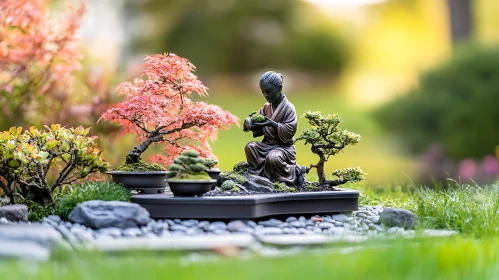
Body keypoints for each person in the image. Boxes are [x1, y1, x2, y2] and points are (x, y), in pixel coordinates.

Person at [243, 71, 308, 186]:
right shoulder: (266, 107)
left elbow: (289, 130)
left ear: (279, 88)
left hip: (283, 148)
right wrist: (249, 122)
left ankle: (295, 171)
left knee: (273, 157)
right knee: (250, 147)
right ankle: (257, 175)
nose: (266, 95)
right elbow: (256, 118)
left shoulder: (289, 108)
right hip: (267, 145)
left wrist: (272, 124)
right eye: (263, 92)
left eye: (269, 91)